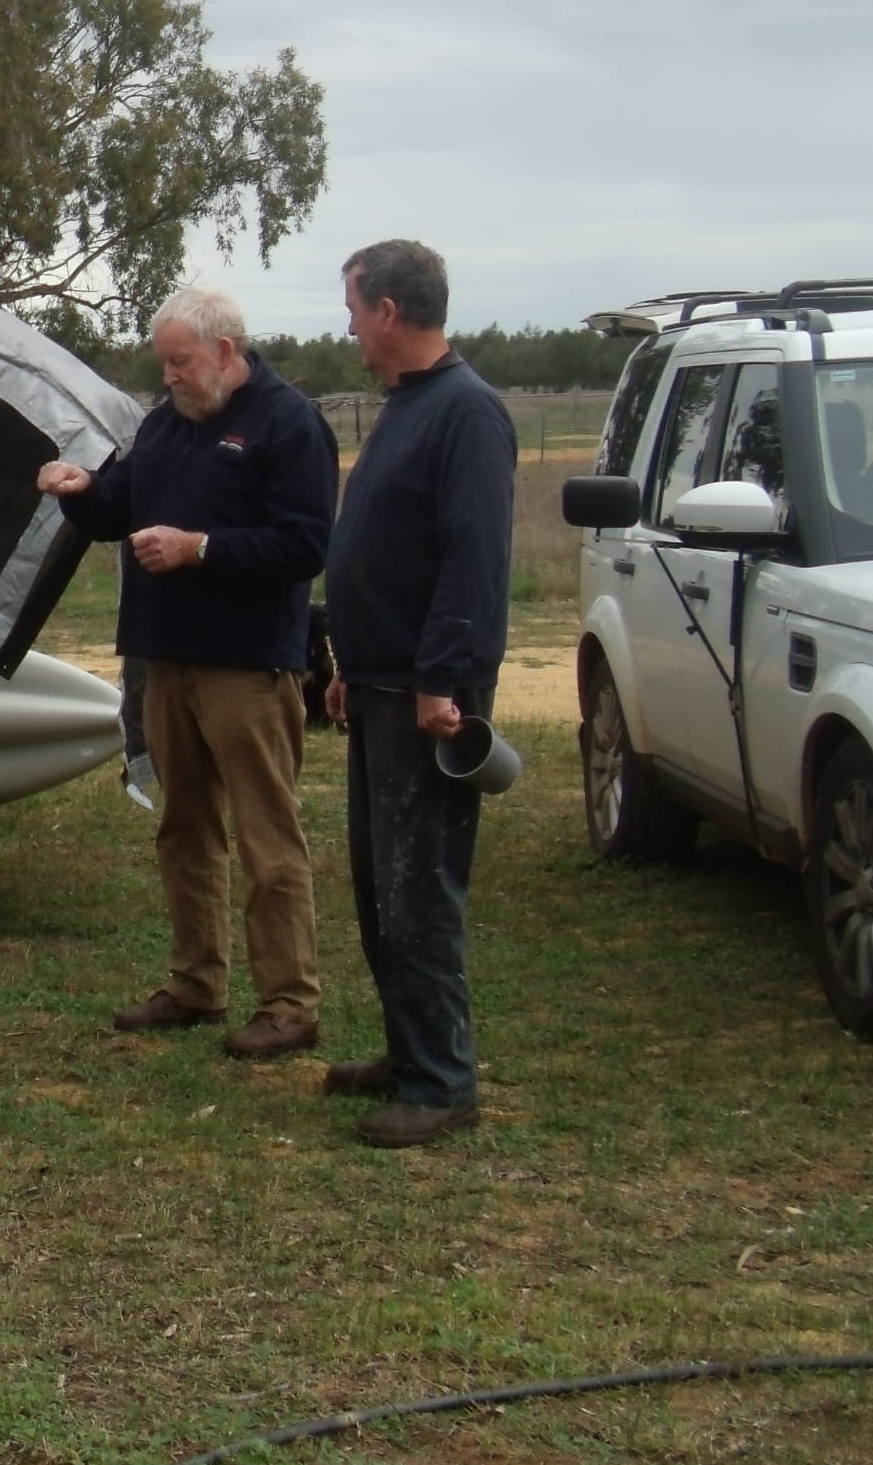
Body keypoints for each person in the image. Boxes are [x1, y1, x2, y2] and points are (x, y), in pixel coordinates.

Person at [37, 285, 338, 1059]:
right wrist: (82, 494)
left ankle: (289, 1004)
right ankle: (197, 984)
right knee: (185, 828)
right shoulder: (167, 426)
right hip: (163, 657)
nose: (168, 376)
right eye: (164, 363)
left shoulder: (287, 424)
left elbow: (305, 546)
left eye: (180, 361)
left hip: (247, 664)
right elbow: (121, 510)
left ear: (227, 353)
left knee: (267, 835)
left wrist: (200, 548)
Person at [321, 239, 516, 1147]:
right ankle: (408, 1054)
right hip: (379, 686)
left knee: (418, 890)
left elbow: (472, 564)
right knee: (378, 886)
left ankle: (442, 1083)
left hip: (424, 698)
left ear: (391, 312)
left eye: (355, 305)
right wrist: (348, 668)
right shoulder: (408, 406)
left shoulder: (466, 415)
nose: (350, 322)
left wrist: (444, 681)